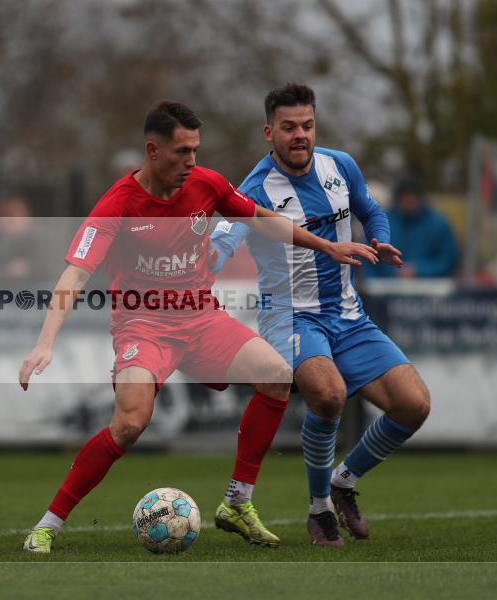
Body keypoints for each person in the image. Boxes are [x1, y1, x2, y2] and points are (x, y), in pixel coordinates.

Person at [19, 100, 377, 553]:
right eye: (181, 153)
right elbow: (74, 274)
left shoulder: (206, 184)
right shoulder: (117, 205)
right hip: (144, 327)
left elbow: (264, 221)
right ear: (152, 151)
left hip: (202, 318)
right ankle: (48, 524)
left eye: (195, 151)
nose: (192, 162)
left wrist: (326, 246)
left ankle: (237, 502)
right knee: (130, 423)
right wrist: (43, 344)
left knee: (275, 374)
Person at [211, 83, 431, 546]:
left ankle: (342, 483)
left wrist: (379, 238)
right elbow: (217, 248)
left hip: (349, 316)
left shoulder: (340, 165)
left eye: (307, 125)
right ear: (268, 132)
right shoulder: (251, 190)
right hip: (289, 319)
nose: (300, 135)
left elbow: (371, 211)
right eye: (288, 127)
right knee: (329, 395)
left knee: (414, 405)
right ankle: (318, 510)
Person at [368, 176, 458, 278]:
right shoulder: (382, 223)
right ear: (398, 198)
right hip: (385, 290)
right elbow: (369, 258)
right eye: (405, 197)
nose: (409, 201)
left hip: (429, 289)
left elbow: (448, 260)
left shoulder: (438, 224)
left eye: (412, 197)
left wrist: (419, 270)